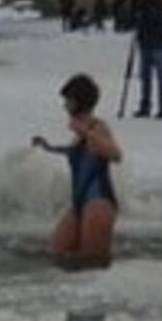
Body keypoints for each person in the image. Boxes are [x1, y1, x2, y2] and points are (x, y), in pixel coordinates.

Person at [34, 74, 122, 271]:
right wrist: (48, 147)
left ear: (77, 102)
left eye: (67, 101)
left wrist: (85, 132)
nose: (64, 106)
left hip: (99, 201)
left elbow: (115, 155)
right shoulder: (80, 132)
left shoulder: (97, 127)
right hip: (80, 202)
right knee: (57, 254)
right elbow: (78, 154)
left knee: (92, 265)